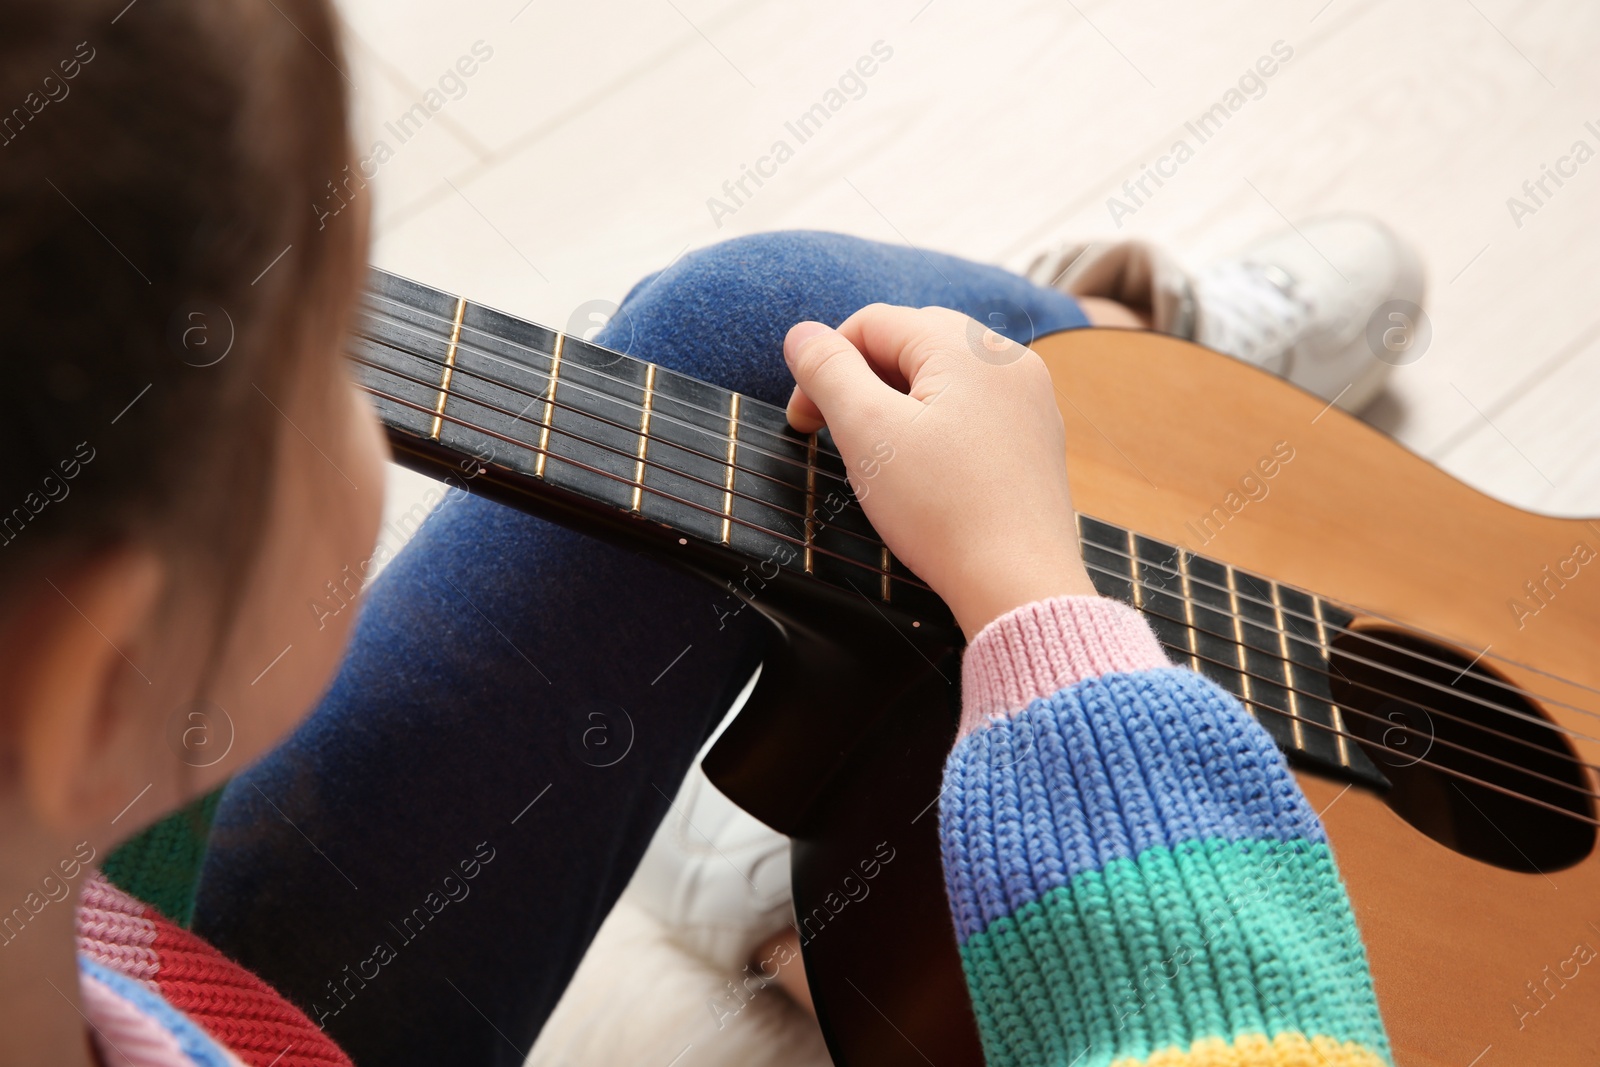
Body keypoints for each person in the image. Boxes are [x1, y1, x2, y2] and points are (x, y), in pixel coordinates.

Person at [0, 1, 1415, 1065]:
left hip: (141, 953)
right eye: (327, 354)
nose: (389, 360)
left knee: (746, 332)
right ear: (108, 680)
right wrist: (1035, 594)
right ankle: (886, 886)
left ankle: (1148, 406)